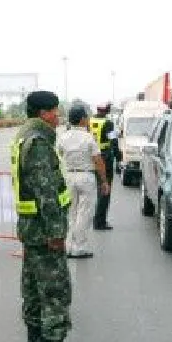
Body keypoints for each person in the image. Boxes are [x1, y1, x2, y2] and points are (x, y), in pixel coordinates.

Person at [11, 90, 89, 342]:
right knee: (55, 292)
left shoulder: (23, 136)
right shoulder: (39, 141)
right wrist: (57, 232)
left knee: (31, 287)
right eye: (55, 111)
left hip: (31, 228)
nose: (58, 116)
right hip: (44, 231)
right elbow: (46, 193)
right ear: (43, 113)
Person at [57, 105, 109, 258]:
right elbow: (98, 160)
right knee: (85, 213)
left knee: (71, 212)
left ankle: (68, 246)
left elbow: (58, 154)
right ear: (82, 119)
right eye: (86, 117)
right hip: (86, 177)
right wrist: (104, 181)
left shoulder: (63, 137)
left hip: (68, 176)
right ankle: (79, 247)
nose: (87, 120)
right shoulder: (88, 137)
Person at [89, 103, 122, 231]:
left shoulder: (90, 121)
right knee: (105, 189)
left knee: (96, 189)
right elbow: (113, 141)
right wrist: (119, 158)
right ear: (107, 110)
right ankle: (100, 221)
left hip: (92, 158)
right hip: (105, 158)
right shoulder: (108, 123)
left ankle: (95, 219)